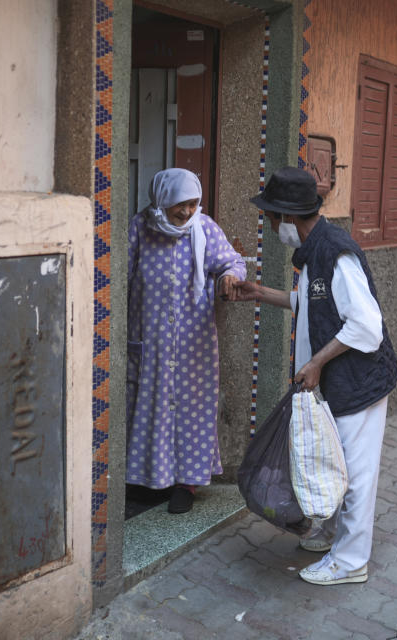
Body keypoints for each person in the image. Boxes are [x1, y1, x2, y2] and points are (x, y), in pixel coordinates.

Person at [232, 166, 397, 585]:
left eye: (272, 217)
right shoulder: (312, 252)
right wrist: (261, 293)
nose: (271, 226)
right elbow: (313, 304)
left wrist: (317, 362)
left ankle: (351, 561)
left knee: (356, 476)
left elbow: (365, 325)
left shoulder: (336, 253)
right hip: (332, 385)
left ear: (289, 217)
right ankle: (326, 535)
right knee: (330, 463)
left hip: (357, 384)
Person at [126, 168, 246, 514]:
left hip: (194, 344)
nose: (187, 212)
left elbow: (232, 263)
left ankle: (187, 483)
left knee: (192, 410)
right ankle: (152, 480)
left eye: (194, 204)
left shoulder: (204, 229)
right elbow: (119, 273)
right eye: (181, 204)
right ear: (162, 200)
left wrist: (229, 278)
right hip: (151, 342)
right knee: (151, 407)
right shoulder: (141, 228)